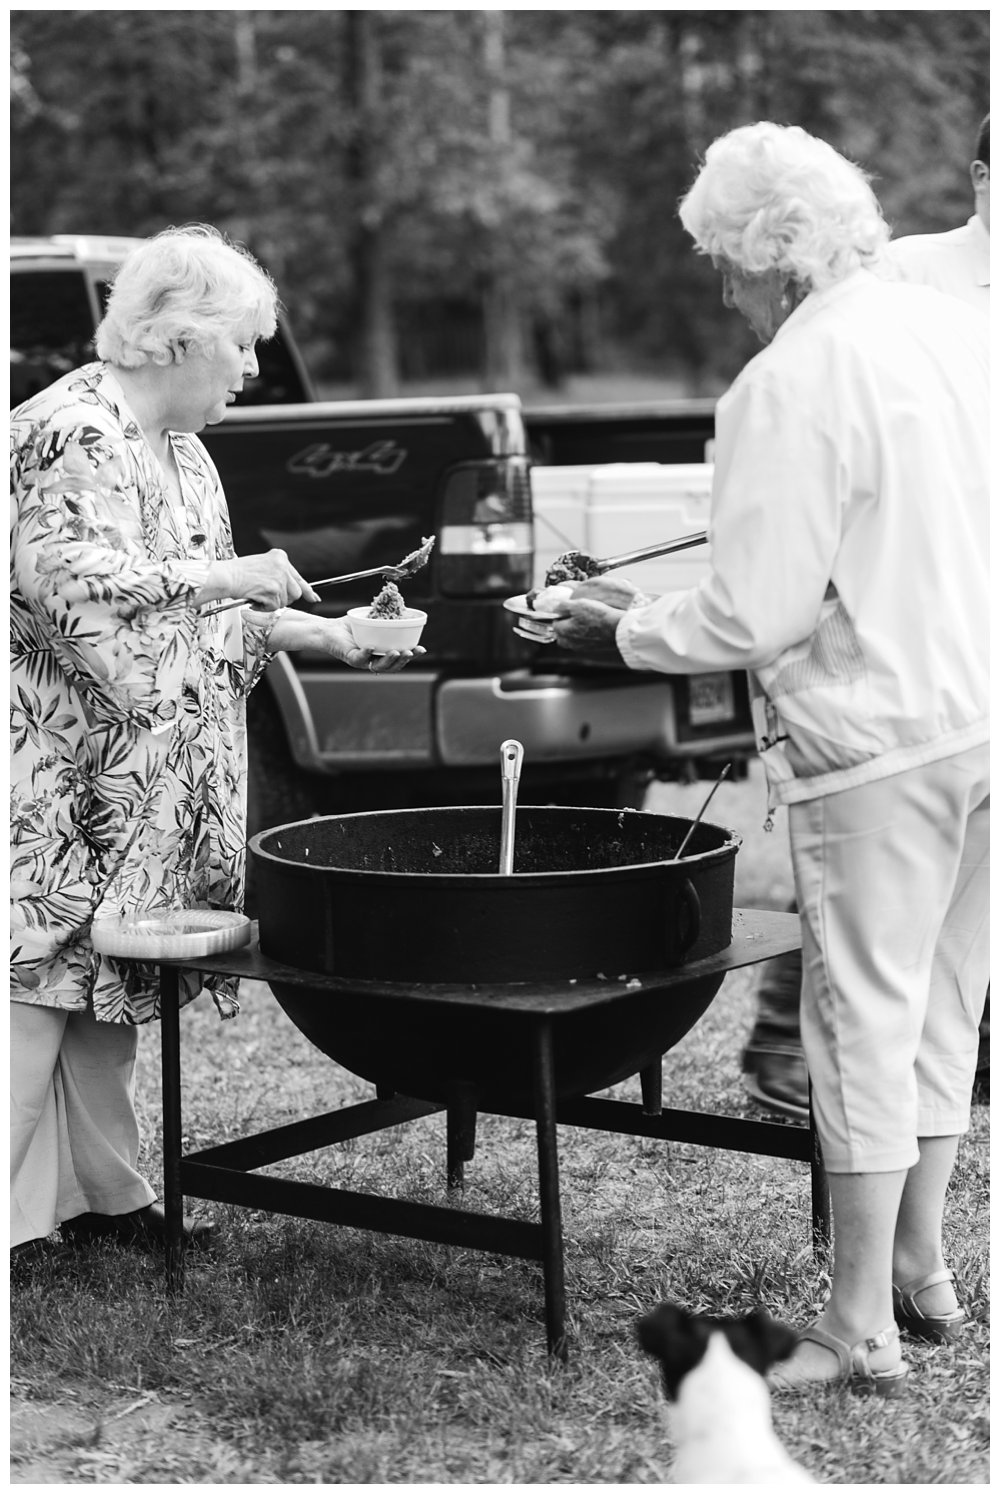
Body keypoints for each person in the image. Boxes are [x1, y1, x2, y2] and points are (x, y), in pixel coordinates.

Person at [549, 123, 988, 1395]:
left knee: (861, 1015)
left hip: (877, 740)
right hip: (985, 711)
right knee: (945, 1004)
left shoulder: (788, 383)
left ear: (775, 261)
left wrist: (615, 621)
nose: (719, 291)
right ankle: (925, 1270)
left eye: (721, 265)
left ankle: (858, 1326)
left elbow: (754, 614)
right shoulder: (950, 333)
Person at [10, 225, 425, 1256]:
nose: (249, 368)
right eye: (239, 345)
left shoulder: (185, 453)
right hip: (63, 775)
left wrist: (323, 631)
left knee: (101, 995)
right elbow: (66, 585)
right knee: (30, 999)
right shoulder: (68, 430)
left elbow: (208, 613)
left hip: (148, 785)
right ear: (176, 337)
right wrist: (227, 579)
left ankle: (102, 1204)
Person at [741, 111, 991, 1121]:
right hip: (903, 602)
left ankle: (951, 1056)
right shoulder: (908, 272)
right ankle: (778, 1044)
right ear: (982, 172)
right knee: (877, 840)